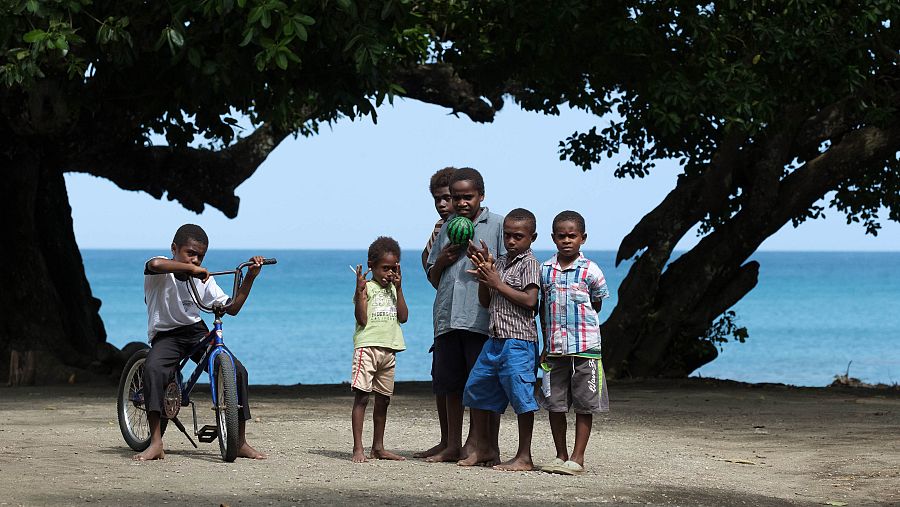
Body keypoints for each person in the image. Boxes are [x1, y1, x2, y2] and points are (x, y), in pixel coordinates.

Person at [137, 224, 267, 461]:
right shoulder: (161, 268)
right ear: (174, 248)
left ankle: (239, 442)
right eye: (190, 253)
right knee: (154, 369)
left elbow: (232, 308)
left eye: (200, 256)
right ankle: (156, 442)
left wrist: (250, 277)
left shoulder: (202, 279)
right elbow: (155, 265)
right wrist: (190, 269)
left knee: (237, 371)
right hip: (166, 334)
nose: (195, 260)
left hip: (194, 331)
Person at [423, 167, 505, 463]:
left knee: (482, 383)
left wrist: (487, 264)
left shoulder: (497, 225)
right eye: (456, 198)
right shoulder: (447, 227)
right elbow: (434, 277)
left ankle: (484, 446)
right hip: (447, 317)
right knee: (449, 383)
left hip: (480, 318)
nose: (461, 203)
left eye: (467, 197)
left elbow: (505, 272)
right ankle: (452, 445)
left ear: (481, 196)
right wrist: (443, 260)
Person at [461, 208, 542, 471]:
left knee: (521, 397)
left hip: (519, 342)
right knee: (477, 389)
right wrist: (486, 277)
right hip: (495, 338)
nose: (511, 241)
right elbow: (486, 302)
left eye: (518, 236)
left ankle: (524, 456)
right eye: (507, 235)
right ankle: (485, 448)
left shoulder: (529, 264)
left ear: (532, 237)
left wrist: (497, 283)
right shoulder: (501, 262)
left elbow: (531, 302)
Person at [537, 211, 610, 475]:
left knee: (584, 403)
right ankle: (560, 455)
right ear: (553, 238)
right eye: (561, 236)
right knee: (554, 402)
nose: (567, 240)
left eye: (572, 236)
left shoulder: (591, 270)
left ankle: (577, 458)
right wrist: (545, 345)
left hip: (586, 349)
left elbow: (597, 303)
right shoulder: (545, 270)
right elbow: (544, 309)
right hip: (555, 349)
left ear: (583, 238)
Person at [351, 236, 408, 463]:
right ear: (371, 266)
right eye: (384, 268)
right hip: (367, 348)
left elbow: (403, 317)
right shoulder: (368, 288)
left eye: (393, 268)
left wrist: (400, 288)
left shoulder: (394, 289)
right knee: (362, 398)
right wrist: (360, 294)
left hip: (390, 350)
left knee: (383, 400)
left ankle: (378, 447)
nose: (389, 274)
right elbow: (362, 320)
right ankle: (358, 448)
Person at [415, 167, 456, 460]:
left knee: (471, 384)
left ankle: (468, 442)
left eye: (446, 198)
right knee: (442, 381)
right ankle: (446, 440)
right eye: (437, 200)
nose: (442, 205)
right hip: (445, 314)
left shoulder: (475, 225)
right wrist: (439, 260)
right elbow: (430, 269)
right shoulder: (439, 229)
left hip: (473, 315)